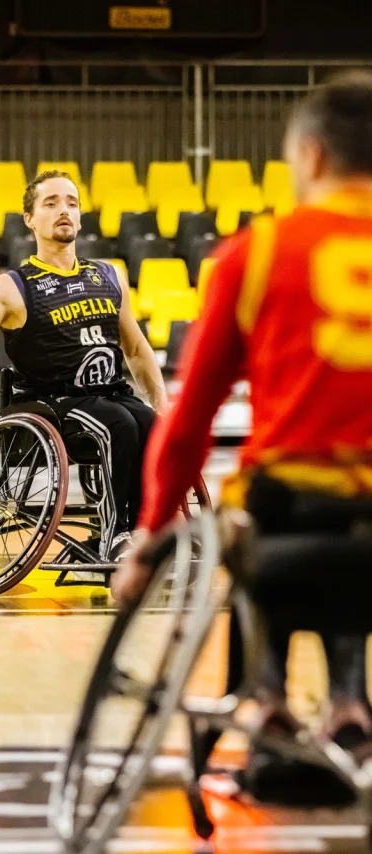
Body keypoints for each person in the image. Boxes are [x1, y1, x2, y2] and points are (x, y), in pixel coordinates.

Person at [114, 71, 372, 764]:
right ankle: (351, 699)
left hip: (288, 520)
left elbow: (188, 422)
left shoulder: (255, 254)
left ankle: (269, 699)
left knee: (257, 510)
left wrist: (148, 536)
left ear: (311, 158)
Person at [0, 169, 168, 561]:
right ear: (30, 219)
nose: (64, 210)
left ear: (80, 217)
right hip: (54, 403)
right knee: (119, 424)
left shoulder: (109, 276)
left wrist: (160, 399)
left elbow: (138, 350)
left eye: (72, 203)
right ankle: (117, 535)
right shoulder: (13, 286)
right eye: (51, 203)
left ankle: (147, 530)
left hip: (110, 394)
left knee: (152, 423)